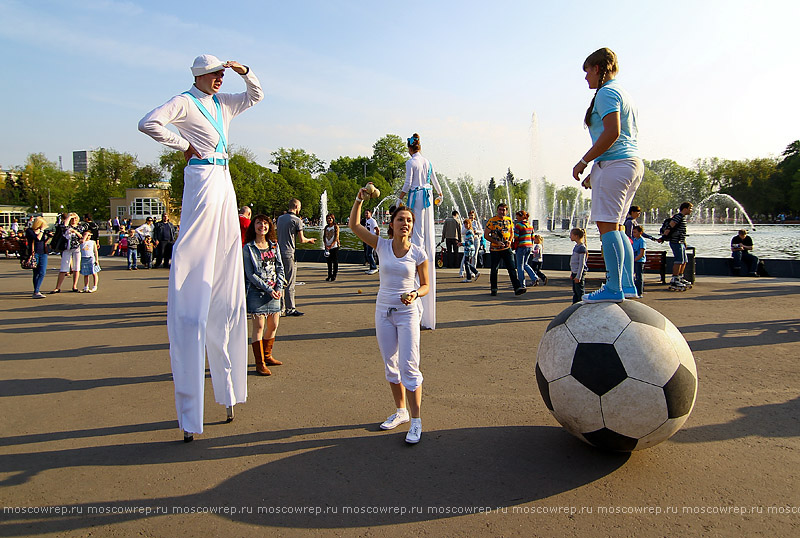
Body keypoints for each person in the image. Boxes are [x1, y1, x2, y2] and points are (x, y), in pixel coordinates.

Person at [138, 54, 263, 441]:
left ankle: (227, 391)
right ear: (200, 75)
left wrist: (244, 70)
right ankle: (191, 283)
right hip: (203, 175)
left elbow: (256, 95)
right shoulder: (185, 101)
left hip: (224, 178)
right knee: (198, 251)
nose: (221, 80)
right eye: (216, 75)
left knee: (227, 261)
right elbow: (148, 122)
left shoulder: (224, 104)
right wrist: (182, 145)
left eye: (223, 75)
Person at [349, 188, 430, 444]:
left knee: (409, 366)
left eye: (408, 220)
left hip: (407, 313)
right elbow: (353, 225)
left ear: (411, 226)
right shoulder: (380, 245)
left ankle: (416, 422)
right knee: (391, 365)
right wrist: (359, 198)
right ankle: (401, 411)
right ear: (391, 225)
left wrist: (415, 294)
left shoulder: (418, 252)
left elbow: (426, 285)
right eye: (400, 220)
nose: (404, 224)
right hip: (383, 311)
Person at [571, 47, 643, 303]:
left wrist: (584, 161)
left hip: (615, 165)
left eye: (588, 70)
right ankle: (626, 284)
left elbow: (612, 132)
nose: (586, 76)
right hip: (628, 163)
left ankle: (614, 287)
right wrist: (595, 169)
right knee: (618, 227)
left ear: (598, 68)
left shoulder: (606, 93)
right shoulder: (622, 92)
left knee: (607, 228)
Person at [396, 133, 443, 330]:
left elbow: (408, 183)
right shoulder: (428, 162)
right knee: (425, 229)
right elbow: (434, 179)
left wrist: (400, 199)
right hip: (429, 197)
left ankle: (417, 248)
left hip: (416, 196)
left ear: (409, 148)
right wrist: (439, 193)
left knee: (417, 233)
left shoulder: (410, 163)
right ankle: (424, 247)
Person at [243, 214, 285, 376]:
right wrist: (268, 289)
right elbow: (250, 274)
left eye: (265, 223)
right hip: (257, 292)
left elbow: (280, 267)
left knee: (273, 325)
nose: (262, 226)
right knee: (259, 327)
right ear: (254, 227)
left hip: (275, 291)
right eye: (259, 223)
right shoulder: (248, 248)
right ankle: (259, 363)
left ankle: (267, 355)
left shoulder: (274, 246)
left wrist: (279, 286)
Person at [276, 198, 316, 317]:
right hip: (289, 253)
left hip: (278, 252)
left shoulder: (280, 218)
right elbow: (301, 239)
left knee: (280, 280)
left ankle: (280, 307)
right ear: (297, 207)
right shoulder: (296, 220)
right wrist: (310, 240)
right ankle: (290, 308)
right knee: (290, 281)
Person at [484, 203, 526, 297]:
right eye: (500, 209)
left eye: (504, 210)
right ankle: (494, 288)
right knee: (494, 269)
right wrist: (496, 242)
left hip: (507, 248)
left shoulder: (509, 220)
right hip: (495, 249)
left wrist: (510, 241)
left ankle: (517, 288)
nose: (502, 212)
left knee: (511, 268)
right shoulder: (492, 221)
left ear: (506, 211)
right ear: (497, 210)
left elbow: (511, 232)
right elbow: (486, 235)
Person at [660, 202, 694, 290]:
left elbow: (681, 231)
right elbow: (670, 227)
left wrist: (684, 241)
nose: (691, 210)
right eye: (690, 208)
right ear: (685, 209)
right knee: (679, 260)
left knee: (684, 260)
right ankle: (675, 279)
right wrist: (663, 237)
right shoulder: (678, 217)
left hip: (681, 242)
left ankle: (680, 277)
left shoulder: (682, 218)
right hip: (676, 242)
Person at [51, 213, 82, 293]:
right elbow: (64, 226)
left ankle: (74, 286)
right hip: (66, 248)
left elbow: (82, 235)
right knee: (64, 268)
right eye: (72, 219)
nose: (73, 220)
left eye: (75, 218)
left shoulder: (80, 227)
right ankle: (57, 287)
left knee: (76, 267)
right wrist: (69, 217)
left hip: (76, 248)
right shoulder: (65, 226)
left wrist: (76, 232)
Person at [513, 210, 539, 288]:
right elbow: (533, 237)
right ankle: (534, 277)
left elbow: (516, 237)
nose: (516, 218)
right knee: (525, 264)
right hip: (529, 246)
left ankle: (522, 283)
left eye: (517, 217)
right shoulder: (530, 225)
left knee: (520, 266)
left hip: (521, 246)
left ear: (521, 217)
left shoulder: (518, 225)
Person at [26, 217, 50, 298]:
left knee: (42, 272)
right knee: (36, 272)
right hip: (34, 253)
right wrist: (42, 230)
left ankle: (36, 290)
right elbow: (37, 238)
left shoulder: (42, 232)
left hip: (43, 253)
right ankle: (36, 291)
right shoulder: (29, 231)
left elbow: (43, 241)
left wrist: (49, 237)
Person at [570, 228, 588, 304]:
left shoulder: (582, 248)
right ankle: (575, 306)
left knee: (580, 292)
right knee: (575, 292)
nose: (570, 236)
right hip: (575, 272)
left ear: (576, 236)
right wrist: (572, 273)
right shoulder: (576, 246)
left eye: (571, 235)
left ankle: (581, 306)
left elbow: (581, 264)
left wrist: (578, 276)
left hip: (578, 273)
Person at [460, 218, 480, 283]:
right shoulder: (469, 231)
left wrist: (462, 244)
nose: (465, 225)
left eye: (467, 223)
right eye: (465, 224)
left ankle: (471, 275)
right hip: (469, 249)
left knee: (467, 263)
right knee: (467, 263)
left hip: (469, 249)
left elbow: (471, 241)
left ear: (470, 224)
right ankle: (473, 273)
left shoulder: (469, 232)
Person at [323, 213, 340, 281]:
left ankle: (334, 275)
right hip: (327, 246)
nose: (329, 220)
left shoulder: (336, 227)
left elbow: (336, 237)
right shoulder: (326, 227)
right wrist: (325, 244)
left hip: (334, 246)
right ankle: (329, 275)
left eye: (330, 218)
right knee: (329, 262)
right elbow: (324, 236)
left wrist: (331, 245)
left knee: (335, 261)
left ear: (333, 219)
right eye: (328, 218)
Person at [631, 225, 647, 297]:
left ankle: (640, 292)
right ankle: (635, 290)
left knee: (639, 276)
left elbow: (642, 253)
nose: (634, 234)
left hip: (639, 260)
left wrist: (634, 260)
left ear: (640, 233)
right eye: (633, 232)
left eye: (635, 232)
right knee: (634, 276)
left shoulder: (642, 241)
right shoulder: (634, 240)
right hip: (635, 259)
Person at [364, 210, 380, 274]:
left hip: (372, 239)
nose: (366, 214)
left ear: (370, 214)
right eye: (365, 213)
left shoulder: (372, 221)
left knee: (369, 253)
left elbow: (377, 229)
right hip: (368, 239)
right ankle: (372, 267)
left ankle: (374, 267)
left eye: (367, 213)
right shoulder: (367, 220)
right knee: (369, 253)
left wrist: (376, 236)